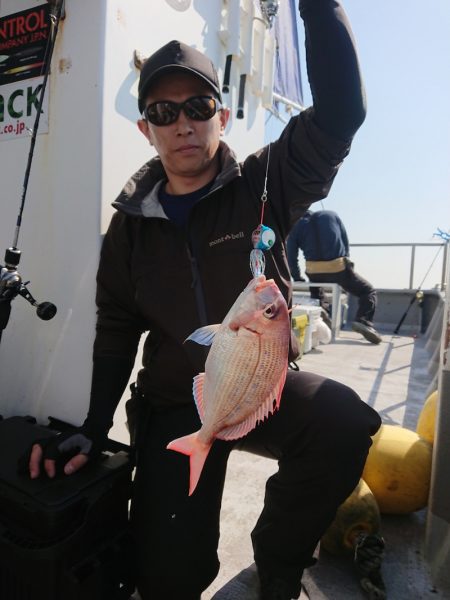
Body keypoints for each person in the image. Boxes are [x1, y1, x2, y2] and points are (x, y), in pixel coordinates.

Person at [28, 2, 382, 599]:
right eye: (164, 112)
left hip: (257, 384)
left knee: (344, 420)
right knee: (168, 581)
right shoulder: (129, 230)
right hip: (176, 402)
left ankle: (278, 566)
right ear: (146, 127)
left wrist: (319, 7)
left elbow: (343, 114)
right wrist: (93, 425)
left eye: (197, 107)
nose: (183, 124)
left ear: (220, 115)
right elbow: (116, 328)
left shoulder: (264, 184)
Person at [287, 209, 382, 344]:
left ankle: (321, 310)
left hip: (313, 271)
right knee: (368, 291)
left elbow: (291, 256)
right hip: (338, 269)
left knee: (317, 292)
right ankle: (363, 321)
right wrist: (347, 262)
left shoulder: (296, 225)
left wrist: (297, 278)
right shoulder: (332, 215)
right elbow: (345, 240)